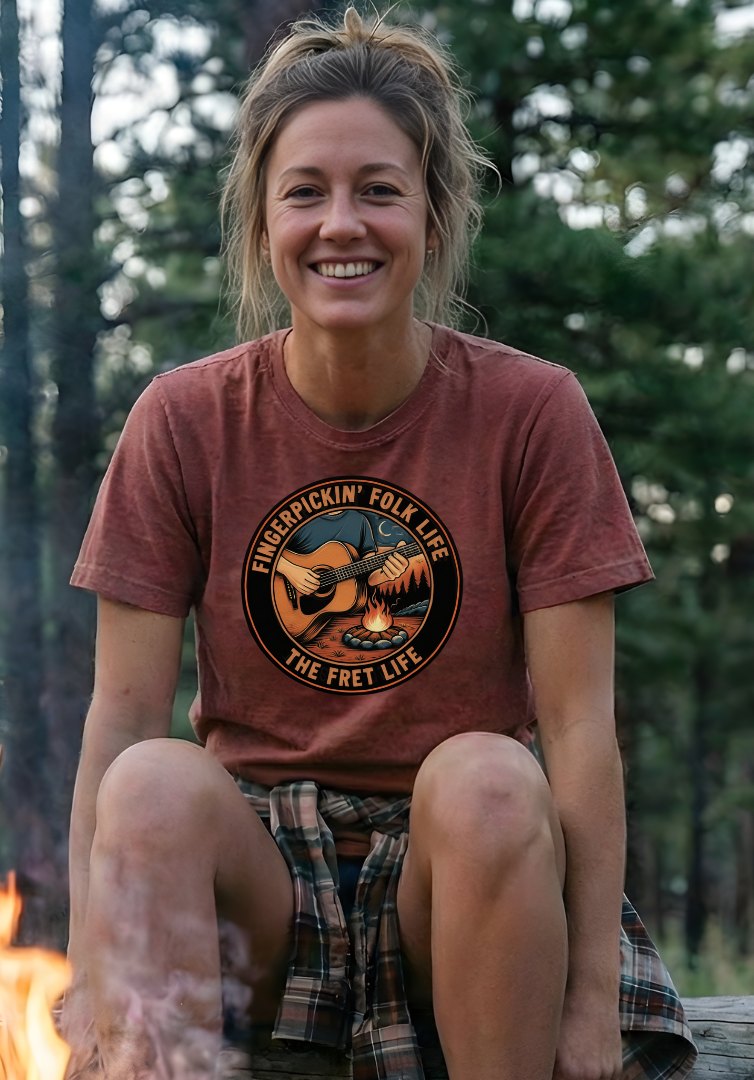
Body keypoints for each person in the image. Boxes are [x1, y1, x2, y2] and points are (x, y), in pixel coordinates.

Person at [64, 10, 697, 1080]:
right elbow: (121, 714)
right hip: (256, 878)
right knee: (152, 783)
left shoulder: (533, 413)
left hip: (457, 875)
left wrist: (592, 999)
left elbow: (582, 730)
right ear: (263, 223)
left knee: (494, 778)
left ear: (435, 216)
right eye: (305, 192)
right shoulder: (183, 421)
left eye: (380, 190)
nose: (340, 224)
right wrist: (85, 966)